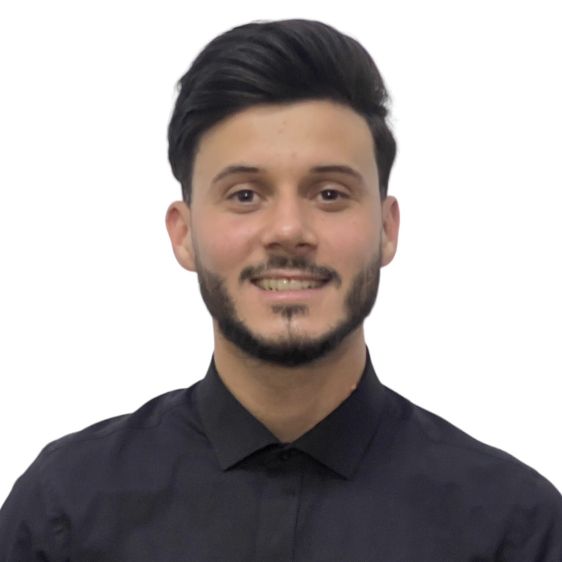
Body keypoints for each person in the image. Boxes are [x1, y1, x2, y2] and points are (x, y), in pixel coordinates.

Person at [1, 18, 561, 561]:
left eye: (330, 194)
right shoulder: (64, 514)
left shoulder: (513, 529)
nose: (289, 230)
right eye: (245, 195)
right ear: (184, 234)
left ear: (387, 229)